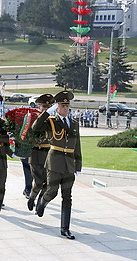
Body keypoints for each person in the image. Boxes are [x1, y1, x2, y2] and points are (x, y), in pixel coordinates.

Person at [32, 90, 82, 239]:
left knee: (67, 196)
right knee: (52, 192)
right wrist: (47, 112)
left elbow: (77, 145)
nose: (66, 109)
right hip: (54, 162)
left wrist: (78, 165)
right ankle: (42, 202)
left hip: (69, 165)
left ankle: (65, 228)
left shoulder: (74, 124)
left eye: (67, 106)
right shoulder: (51, 121)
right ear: (57, 107)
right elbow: (35, 127)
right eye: (62, 106)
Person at [27, 94, 54, 212]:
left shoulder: (53, 120)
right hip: (36, 153)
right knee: (38, 182)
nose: (45, 109)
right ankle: (32, 197)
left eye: (48, 107)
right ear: (39, 107)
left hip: (49, 154)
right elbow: (31, 131)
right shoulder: (33, 119)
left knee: (47, 183)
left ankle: (40, 204)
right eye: (43, 106)